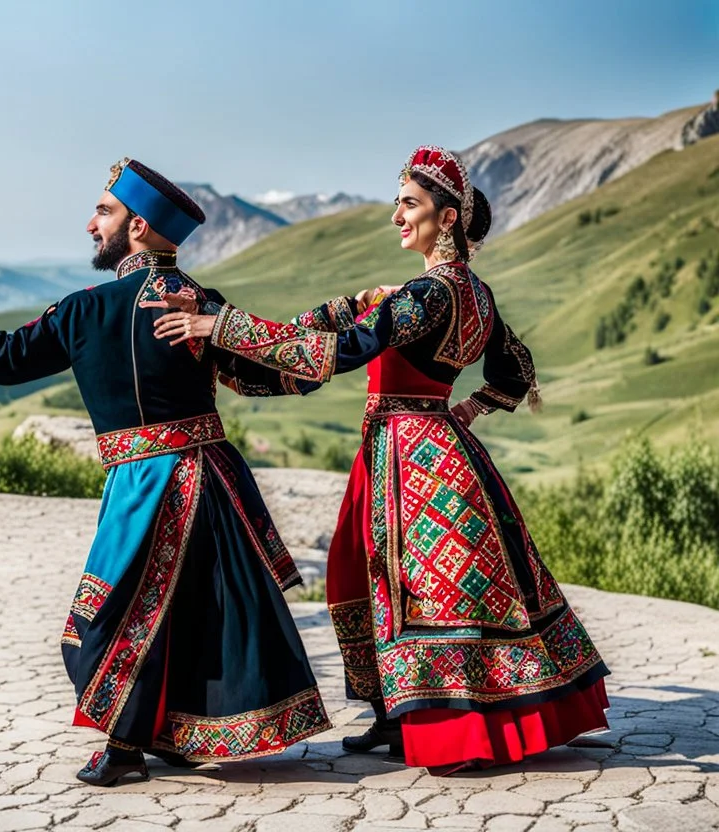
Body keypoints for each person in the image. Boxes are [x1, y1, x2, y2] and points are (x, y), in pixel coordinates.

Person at [147, 145, 610, 775]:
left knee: (410, 582)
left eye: (410, 204)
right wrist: (469, 409)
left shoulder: (428, 294)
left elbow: (341, 352)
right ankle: (395, 714)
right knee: (372, 571)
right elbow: (515, 366)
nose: (397, 215)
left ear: (448, 219)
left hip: (409, 455)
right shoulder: (472, 292)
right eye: (398, 202)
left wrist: (218, 327)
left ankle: (440, 720)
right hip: (440, 444)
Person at [0, 158, 332, 786]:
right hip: (211, 478)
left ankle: (124, 749)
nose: (91, 223)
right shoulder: (204, 304)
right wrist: (327, 335)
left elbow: (13, 355)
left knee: (108, 621)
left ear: (139, 226)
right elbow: (262, 377)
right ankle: (171, 735)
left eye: (104, 211)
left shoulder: (86, 310)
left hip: (152, 484)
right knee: (187, 614)